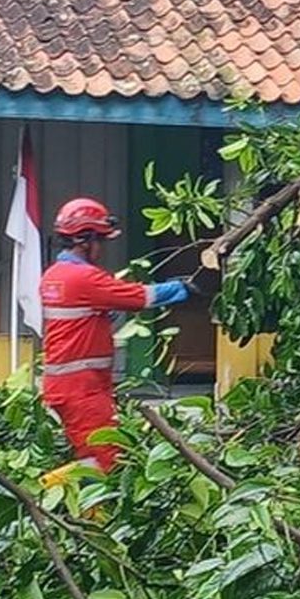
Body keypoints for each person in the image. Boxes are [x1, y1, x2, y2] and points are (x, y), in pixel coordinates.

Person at [37, 197, 190, 489]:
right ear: (86, 239)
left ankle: (64, 504)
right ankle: (46, 492)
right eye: (100, 240)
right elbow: (137, 297)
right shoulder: (84, 278)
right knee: (107, 459)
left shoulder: (54, 276)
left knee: (93, 454)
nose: (101, 248)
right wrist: (181, 288)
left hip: (69, 387)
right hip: (82, 389)